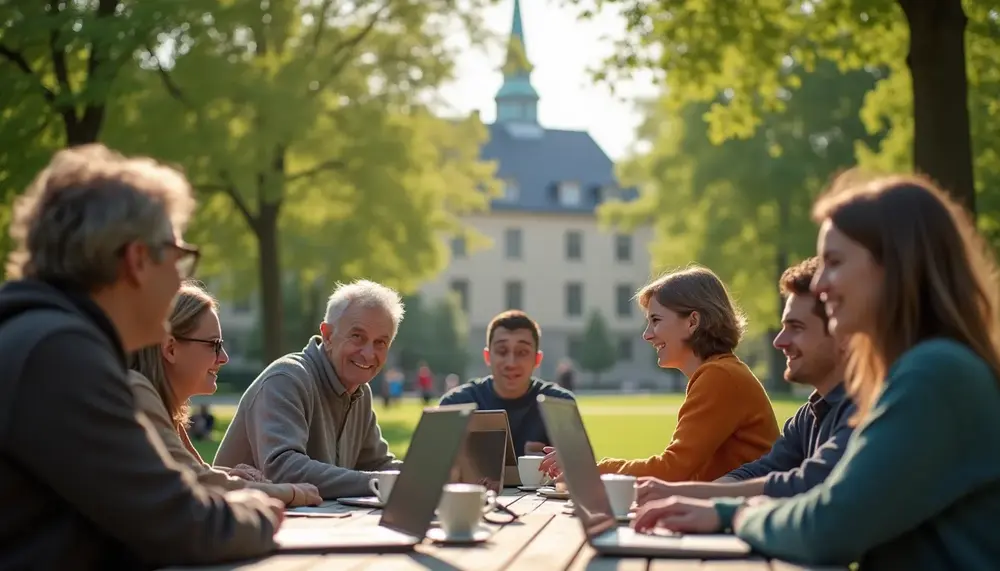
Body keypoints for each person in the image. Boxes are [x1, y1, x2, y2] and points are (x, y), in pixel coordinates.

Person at [634, 174, 1000, 569]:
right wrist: (719, 507)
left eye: (835, 263)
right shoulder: (930, 370)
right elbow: (810, 492)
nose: (821, 283)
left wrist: (736, 516)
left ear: (895, 264)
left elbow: (829, 525)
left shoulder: (935, 374)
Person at [0, 145, 281, 569]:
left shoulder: (38, 337)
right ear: (137, 260)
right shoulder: (59, 355)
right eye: (178, 258)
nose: (180, 280)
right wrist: (259, 512)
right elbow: (181, 523)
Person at [635, 257, 855, 504]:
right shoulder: (809, 416)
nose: (779, 341)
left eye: (797, 327)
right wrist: (686, 500)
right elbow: (762, 473)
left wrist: (707, 506)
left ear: (842, 332)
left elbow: (806, 486)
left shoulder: (863, 412)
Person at [541, 266, 779, 482]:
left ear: (692, 322)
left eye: (655, 320)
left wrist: (592, 468)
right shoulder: (719, 373)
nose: (647, 335)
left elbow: (672, 470)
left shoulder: (720, 376)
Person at [128, 281, 322, 507]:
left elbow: (196, 472)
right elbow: (198, 481)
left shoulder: (161, 408)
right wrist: (290, 492)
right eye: (214, 345)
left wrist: (229, 475)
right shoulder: (138, 400)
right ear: (171, 349)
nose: (224, 358)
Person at [216, 279, 405, 498]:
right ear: (328, 336)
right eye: (357, 337)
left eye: (380, 343)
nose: (369, 353)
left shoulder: (360, 392)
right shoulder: (286, 379)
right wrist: (380, 483)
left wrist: (427, 478)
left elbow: (376, 465)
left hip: (303, 517)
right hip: (246, 515)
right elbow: (283, 469)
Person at [439, 310, 575, 456]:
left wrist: (564, 461)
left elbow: (579, 465)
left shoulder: (559, 404)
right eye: (502, 351)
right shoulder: (456, 404)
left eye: (522, 352)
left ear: (537, 359)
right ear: (487, 357)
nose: (511, 363)